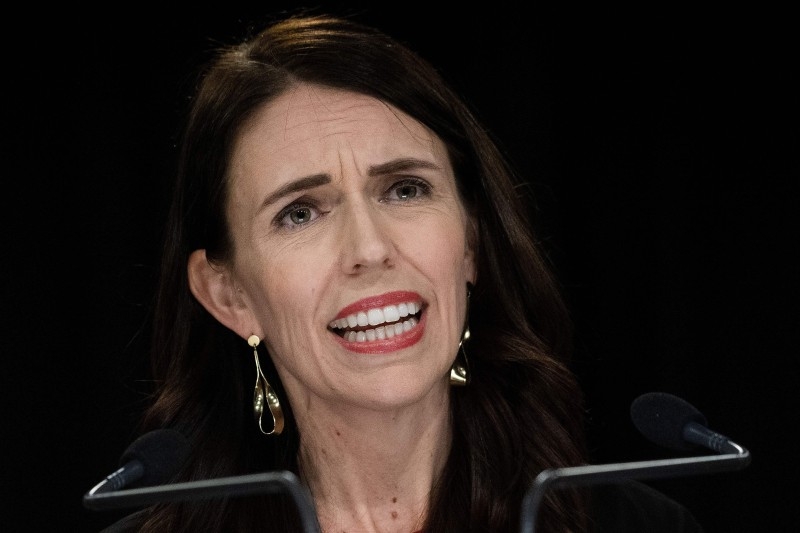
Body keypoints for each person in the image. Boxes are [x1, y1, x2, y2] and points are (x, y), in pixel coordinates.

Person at [101, 11, 704, 533]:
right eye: (300, 213)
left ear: (470, 241)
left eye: (405, 189)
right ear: (229, 295)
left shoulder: (633, 523)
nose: (369, 248)